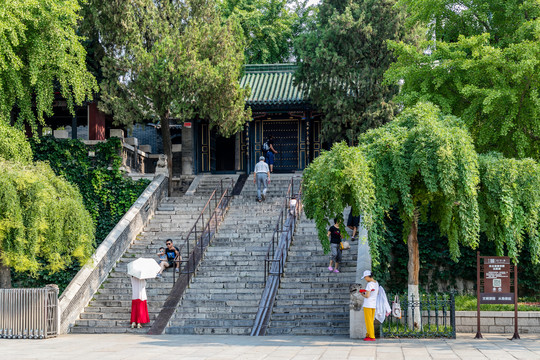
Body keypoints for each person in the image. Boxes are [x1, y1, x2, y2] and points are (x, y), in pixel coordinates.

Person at [360, 270, 379, 341]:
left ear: (368, 276)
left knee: (368, 321)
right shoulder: (376, 283)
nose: (365, 279)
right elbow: (376, 293)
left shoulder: (369, 284)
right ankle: (368, 335)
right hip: (373, 304)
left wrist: (362, 294)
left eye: (365, 277)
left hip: (368, 304)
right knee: (371, 321)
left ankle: (371, 336)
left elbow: (367, 296)